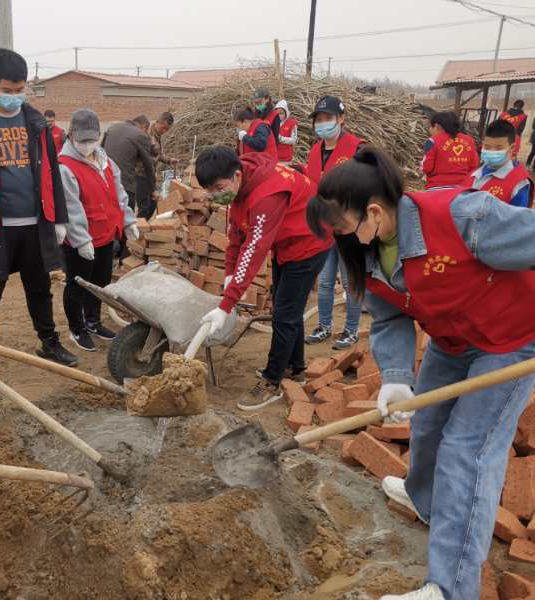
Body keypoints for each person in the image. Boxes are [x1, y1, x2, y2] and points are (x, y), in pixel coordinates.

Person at [306, 145, 535, 600]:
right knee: (427, 426)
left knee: (466, 452)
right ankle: (429, 501)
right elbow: (389, 318)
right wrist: (393, 375)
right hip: (452, 343)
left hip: (510, 341)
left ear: (373, 212)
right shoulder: (370, 254)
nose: (341, 240)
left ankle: (448, 588)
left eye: (344, 229)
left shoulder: (463, 216)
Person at [0, 48, 78, 368]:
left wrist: (58, 218)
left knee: (39, 287)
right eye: (7, 90)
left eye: (20, 90)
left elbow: (51, 170)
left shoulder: (35, 121)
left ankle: (50, 342)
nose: (13, 96)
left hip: (34, 224)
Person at [197, 146, 331, 411]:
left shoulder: (266, 195)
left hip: (309, 242)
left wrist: (226, 305)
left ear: (235, 176)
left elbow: (254, 248)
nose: (215, 195)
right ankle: (294, 368)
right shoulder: (239, 186)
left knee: (284, 313)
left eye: (218, 187)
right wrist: (228, 275)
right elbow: (236, 235)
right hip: (287, 244)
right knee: (287, 309)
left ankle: (272, 381)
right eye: (209, 190)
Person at [58, 109, 139, 351]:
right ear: (71, 135)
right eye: (82, 140)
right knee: (78, 284)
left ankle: (93, 321)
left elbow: (119, 194)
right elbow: (71, 207)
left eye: (91, 140)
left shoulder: (105, 161)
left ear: (98, 136)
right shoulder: (65, 166)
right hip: (80, 239)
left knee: (100, 282)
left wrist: (128, 221)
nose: (87, 145)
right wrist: (81, 240)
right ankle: (77, 329)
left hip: (106, 232)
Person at [304, 95, 364, 349]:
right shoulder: (315, 150)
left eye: (328, 118)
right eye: (319, 119)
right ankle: (325, 326)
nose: (323, 123)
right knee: (326, 281)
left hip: (348, 227)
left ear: (342, 118)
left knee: (350, 281)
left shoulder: (357, 148)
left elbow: (366, 185)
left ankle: (350, 330)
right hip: (324, 226)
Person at [464, 119, 532, 207]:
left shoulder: (519, 183)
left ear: (512, 148)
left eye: (498, 148)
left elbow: (519, 218)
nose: (491, 152)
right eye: (487, 147)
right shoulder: (475, 173)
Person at [103, 114, 156, 218]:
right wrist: (153, 189)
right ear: (144, 127)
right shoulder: (141, 135)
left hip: (105, 182)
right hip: (124, 186)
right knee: (126, 221)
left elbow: (100, 151)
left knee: (109, 219)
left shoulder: (112, 128)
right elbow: (148, 165)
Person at [421, 110, 479, 189]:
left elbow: (427, 167)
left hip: (437, 187)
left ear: (437, 126)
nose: (430, 129)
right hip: (463, 188)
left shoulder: (432, 141)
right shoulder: (469, 140)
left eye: (431, 127)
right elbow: (474, 166)